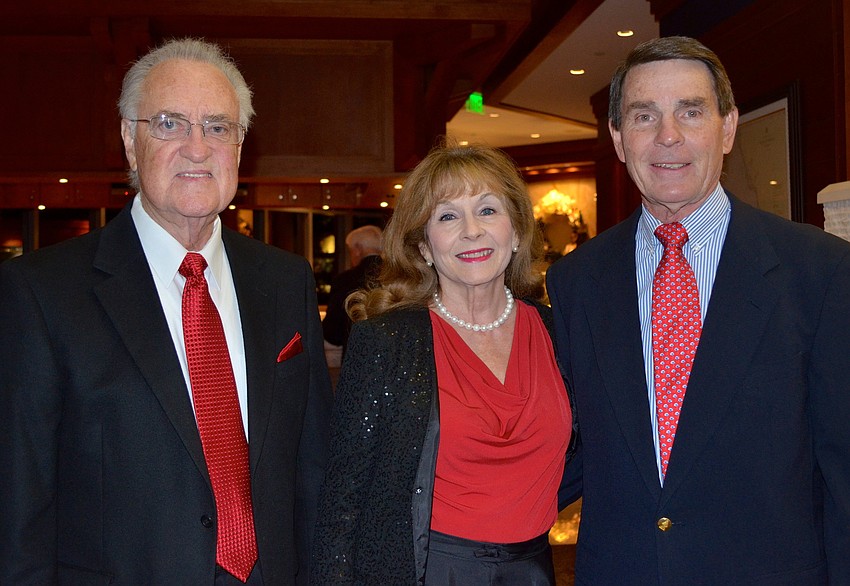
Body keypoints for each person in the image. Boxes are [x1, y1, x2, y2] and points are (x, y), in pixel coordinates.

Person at [0, 38, 333, 585]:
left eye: (218, 127)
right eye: (170, 124)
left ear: (240, 146)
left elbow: (313, 473)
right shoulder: (41, 293)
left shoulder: (285, 280)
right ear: (130, 142)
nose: (197, 149)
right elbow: (20, 507)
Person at [547, 35, 850, 584]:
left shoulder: (820, 271)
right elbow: (570, 448)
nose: (668, 135)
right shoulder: (576, 281)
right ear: (618, 138)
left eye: (690, 111)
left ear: (727, 127)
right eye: (644, 116)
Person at [310, 142, 576, 585]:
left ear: (516, 232)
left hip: (533, 570)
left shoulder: (558, 332)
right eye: (448, 217)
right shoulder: (387, 342)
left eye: (487, 210)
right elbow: (342, 500)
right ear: (424, 247)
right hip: (427, 571)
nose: (472, 231)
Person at [321, 224, 383, 354]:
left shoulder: (345, 280)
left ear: (358, 249)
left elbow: (332, 333)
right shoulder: (398, 277)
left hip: (357, 355)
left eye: (350, 251)